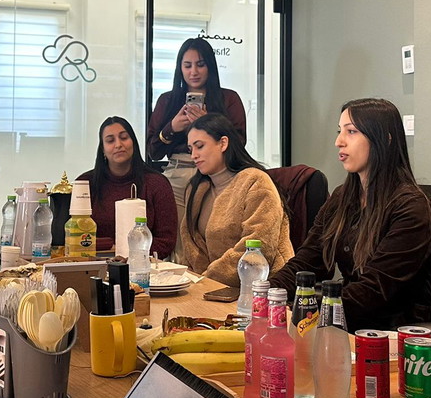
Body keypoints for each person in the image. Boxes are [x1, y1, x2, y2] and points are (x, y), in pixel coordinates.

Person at [269, 98, 431, 330]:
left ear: (385, 140)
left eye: (351, 131)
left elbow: (374, 291)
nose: (338, 141)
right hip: (346, 322)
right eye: (340, 131)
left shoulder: (412, 208)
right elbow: (308, 261)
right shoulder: (343, 197)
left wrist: (304, 311)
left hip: (390, 334)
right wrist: (267, 295)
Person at [147, 37, 247, 261]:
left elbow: (239, 143)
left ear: (210, 66)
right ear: (180, 68)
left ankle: (217, 273)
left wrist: (209, 124)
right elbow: (153, 152)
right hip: (179, 171)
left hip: (219, 174)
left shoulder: (228, 99)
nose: (193, 72)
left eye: (200, 64)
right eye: (187, 65)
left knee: (217, 234)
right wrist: (171, 128)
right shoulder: (167, 100)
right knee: (179, 242)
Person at [179, 113, 292, 286]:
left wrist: (207, 281)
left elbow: (259, 248)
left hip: (259, 288)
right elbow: (191, 249)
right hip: (208, 286)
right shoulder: (196, 189)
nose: (193, 155)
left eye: (199, 146)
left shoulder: (255, 182)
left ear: (223, 143)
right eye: (190, 149)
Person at [77, 116, 178, 258]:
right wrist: (111, 247)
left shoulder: (157, 183)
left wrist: (128, 254)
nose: (118, 144)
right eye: (110, 140)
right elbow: (73, 237)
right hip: (92, 262)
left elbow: (166, 242)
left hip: (143, 264)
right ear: (102, 149)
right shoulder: (85, 183)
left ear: (134, 143)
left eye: (124, 138)